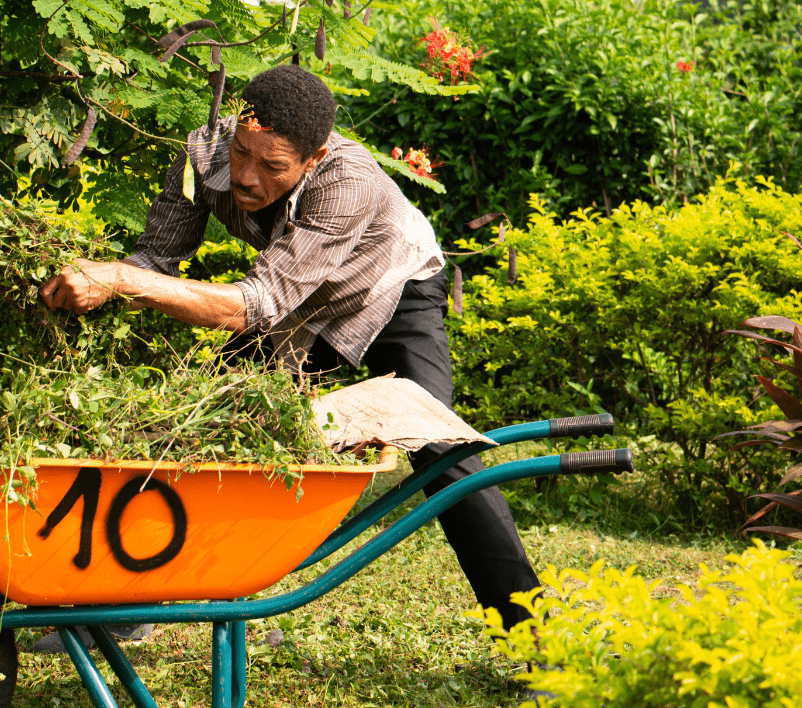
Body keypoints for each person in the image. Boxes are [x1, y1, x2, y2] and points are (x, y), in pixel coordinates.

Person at [34, 64, 540, 653]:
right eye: (242, 153)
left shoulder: (349, 182)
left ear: (314, 157)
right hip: (297, 302)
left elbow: (257, 304)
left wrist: (122, 280)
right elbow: (156, 259)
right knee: (188, 425)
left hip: (393, 291)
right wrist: (83, 283)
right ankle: (129, 606)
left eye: (271, 167)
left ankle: (537, 646)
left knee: (443, 458)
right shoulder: (203, 153)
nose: (246, 177)